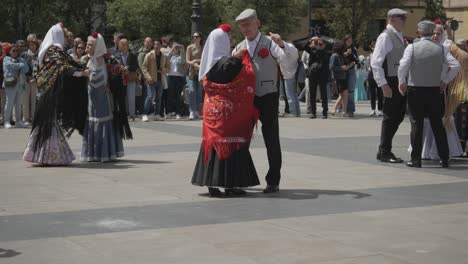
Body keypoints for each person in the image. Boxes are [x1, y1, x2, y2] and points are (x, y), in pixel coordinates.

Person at [234, 9, 298, 193]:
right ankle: (240, 179)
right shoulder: (238, 47)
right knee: (241, 139)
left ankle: (273, 181)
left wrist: (283, 44)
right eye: (242, 25)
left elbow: (289, 60)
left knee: (271, 138)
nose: (245, 28)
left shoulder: (270, 43)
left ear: (257, 23)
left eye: (248, 24)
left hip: (268, 95)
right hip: (247, 98)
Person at [192, 24, 260, 197]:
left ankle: (211, 185)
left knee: (213, 145)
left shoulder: (208, 66)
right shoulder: (229, 62)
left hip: (211, 113)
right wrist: (241, 55)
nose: (230, 42)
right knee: (231, 145)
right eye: (227, 40)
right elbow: (244, 74)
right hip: (229, 115)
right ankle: (231, 184)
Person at [23, 23, 90, 165]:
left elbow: (69, 64)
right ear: (58, 36)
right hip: (49, 93)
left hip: (51, 92)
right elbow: (62, 67)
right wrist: (81, 72)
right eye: (65, 36)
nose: (67, 40)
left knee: (50, 123)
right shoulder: (53, 51)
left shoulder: (54, 50)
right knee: (48, 123)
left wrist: (82, 69)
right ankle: (50, 156)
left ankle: (47, 155)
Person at [398, 21, 459, 168]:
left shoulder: (411, 47)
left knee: (416, 125)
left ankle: (416, 159)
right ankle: (444, 158)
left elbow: (403, 65)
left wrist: (402, 82)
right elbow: (455, 65)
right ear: (432, 32)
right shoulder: (441, 49)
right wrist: (445, 80)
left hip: (415, 90)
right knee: (437, 124)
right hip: (434, 91)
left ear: (419, 32)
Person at [414, 24, 463, 160]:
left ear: (442, 35)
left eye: (438, 34)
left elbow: (456, 65)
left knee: (437, 121)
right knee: (423, 121)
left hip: (438, 90)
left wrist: (445, 80)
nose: (435, 36)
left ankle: (438, 152)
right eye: (433, 33)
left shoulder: (444, 49)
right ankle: (423, 151)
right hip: (422, 88)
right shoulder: (420, 46)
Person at [80, 32, 132, 162]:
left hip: (104, 100)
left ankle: (106, 153)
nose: (87, 47)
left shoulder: (109, 59)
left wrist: (112, 85)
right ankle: (93, 154)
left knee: (104, 122)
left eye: (90, 45)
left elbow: (123, 74)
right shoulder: (85, 60)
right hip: (91, 101)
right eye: (87, 44)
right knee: (92, 121)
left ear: (97, 46)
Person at [372, 8, 408, 163]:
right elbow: (376, 62)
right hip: (390, 80)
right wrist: (383, 84)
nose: (405, 21)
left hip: (397, 80)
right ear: (393, 19)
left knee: (397, 116)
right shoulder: (385, 36)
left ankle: (383, 150)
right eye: (402, 18)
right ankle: (385, 151)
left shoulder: (397, 35)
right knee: (390, 117)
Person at [141, 41, 169, 122]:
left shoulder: (164, 56)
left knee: (159, 98)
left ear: (160, 46)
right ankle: (144, 114)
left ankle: (157, 114)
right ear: (153, 46)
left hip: (160, 80)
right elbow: (144, 68)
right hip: (151, 80)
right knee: (149, 97)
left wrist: (163, 70)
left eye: (158, 44)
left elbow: (168, 67)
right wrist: (148, 78)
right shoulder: (149, 55)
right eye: (155, 44)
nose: (156, 46)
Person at [3, 44, 29, 129]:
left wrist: (20, 65)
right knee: (9, 102)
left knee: (19, 104)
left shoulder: (20, 59)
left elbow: (26, 69)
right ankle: (6, 121)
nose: (15, 52)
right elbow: (11, 66)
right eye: (13, 51)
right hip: (10, 83)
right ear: (9, 52)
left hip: (20, 84)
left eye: (16, 51)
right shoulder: (6, 59)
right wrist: (20, 65)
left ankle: (18, 121)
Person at [304, 36, 329, 118]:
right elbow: (305, 47)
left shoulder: (326, 52)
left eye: (321, 44)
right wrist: (311, 40)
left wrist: (319, 46)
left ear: (324, 45)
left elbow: (324, 58)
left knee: (323, 94)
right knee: (312, 94)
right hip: (312, 75)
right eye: (318, 43)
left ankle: (325, 112)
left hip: (322, 75)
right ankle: (313, 112)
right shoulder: (312, 50)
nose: (319, 45)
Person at [115, 38, 139, 121]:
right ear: (119, 46)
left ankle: (132, 115)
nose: (125, 46)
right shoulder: (117, 56)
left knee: (131, 97)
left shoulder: (132, 55)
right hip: (120, 79)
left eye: (126, 44)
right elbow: (114, 67)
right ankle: (123, 114)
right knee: (122, 97)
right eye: (123, 45)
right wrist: (120, 68)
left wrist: (128, 67)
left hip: (130, 78)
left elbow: (136, 66)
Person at [21, 38, 40, 125]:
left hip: (36, 79)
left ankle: (34, 118)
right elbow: (21, 67)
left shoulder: (39, 54)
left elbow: (41, 68)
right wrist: (27, 78)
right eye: (30, 45)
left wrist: (35, 78)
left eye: (33, 44)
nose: (31, 46)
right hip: (26, 79)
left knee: (34, 100)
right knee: (25, 100)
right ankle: (26, 119)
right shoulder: (24, 54)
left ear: (36, 45)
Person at [330, 41, 353, 117]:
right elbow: (331, 67)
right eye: (342, 47)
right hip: (338, 77)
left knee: (344, 94)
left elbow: (344, 61)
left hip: (343, 76)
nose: (344, 48)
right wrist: (341, 68)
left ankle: (342, 111)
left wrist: (349, 65)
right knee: (342, 95)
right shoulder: (334, 56)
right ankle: (338, 110)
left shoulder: (340, 55)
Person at [186, 32, 204, 120]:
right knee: (192, 91)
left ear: (200, 38)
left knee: (199, 92)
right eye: (194, 37)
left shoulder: (203, 48)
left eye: (197, 37)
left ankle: (197, 111)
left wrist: (196, 60)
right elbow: (188, 61)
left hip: (200, 72)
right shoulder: (189, 47)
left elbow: (205, 59)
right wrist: (194, 63)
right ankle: (191, 111)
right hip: (192, 72)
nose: (195, 38)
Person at [167, 43, 185, 119]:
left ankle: (178, 112)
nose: (176, 49)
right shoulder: (171, 56)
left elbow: (183, 61)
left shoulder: (180, 56)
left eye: (177, 48)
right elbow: (166, 58)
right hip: (170, 76)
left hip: (179, 77)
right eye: (175, 48)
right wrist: (172, 49)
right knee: (170, 95)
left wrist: (182, 49)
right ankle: (169, 112)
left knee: (178, 96)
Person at [343, 34, 359, 117]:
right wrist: (345, 54)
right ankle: (343, 109)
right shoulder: (341, 48)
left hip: (351, 71)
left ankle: (351, 110)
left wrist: (350, 65)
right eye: (348, 41)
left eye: (351, 41)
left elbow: (356, 60)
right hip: (342, 71)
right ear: (345, 41)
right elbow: (338, 58)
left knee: (351, 91)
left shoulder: (353, 49)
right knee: (343, 91)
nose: (350, 42)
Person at [367, 42, 383, 116]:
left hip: (379, 74)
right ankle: (373, 109)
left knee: (380, 92)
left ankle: (380, 109)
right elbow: (367, 67)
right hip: (371, 74)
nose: (374, 48)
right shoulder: (369, 56)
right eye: (373, 47)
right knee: (372, 93)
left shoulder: (381, 55)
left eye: (375, 46)